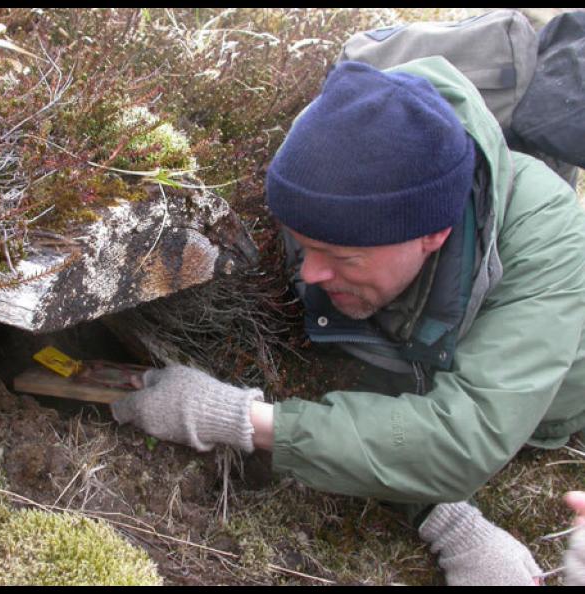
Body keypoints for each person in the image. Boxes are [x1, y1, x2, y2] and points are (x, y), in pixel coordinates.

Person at [111, 58, 585, 585]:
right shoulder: (336, 161)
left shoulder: (551, 241)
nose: (311, 273)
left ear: (433, 235)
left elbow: (467, 434)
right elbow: (375, 400)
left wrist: (238, 419)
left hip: (549, 409)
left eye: (343, 256)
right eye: (303, 243)